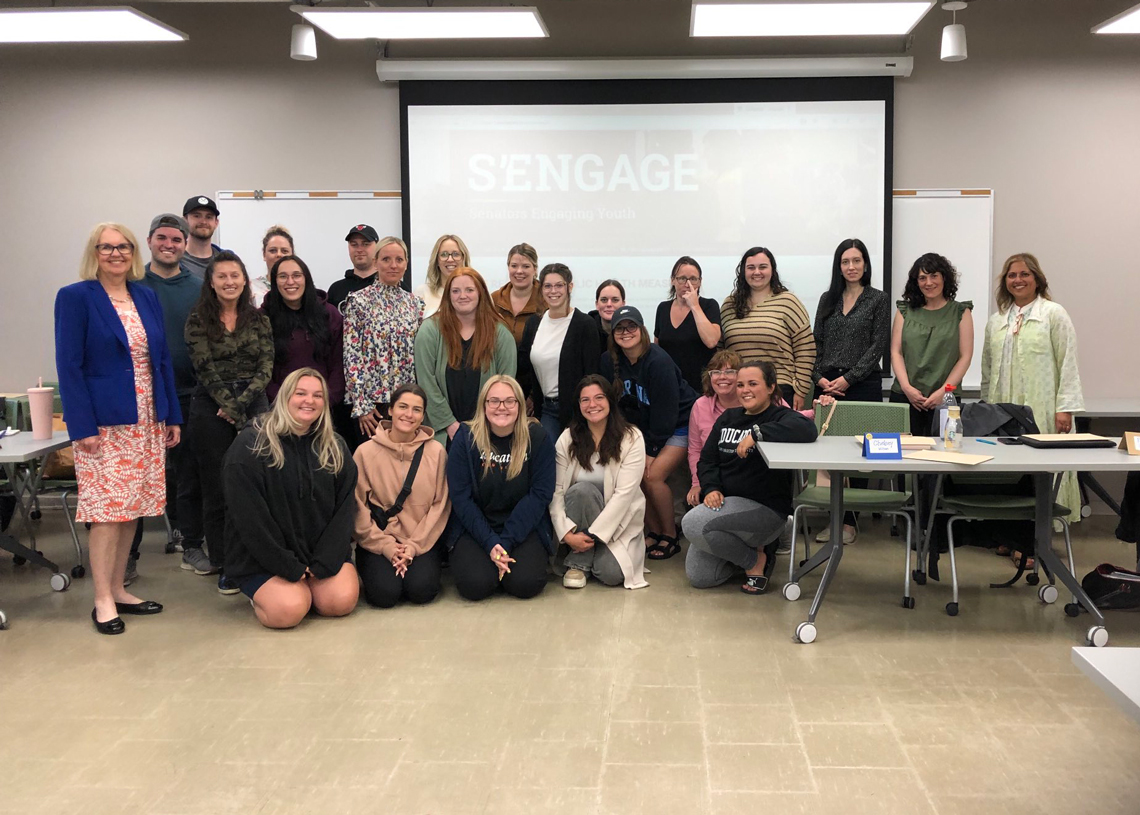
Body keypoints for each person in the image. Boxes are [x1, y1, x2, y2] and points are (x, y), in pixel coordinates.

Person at [54, 222, 181, 634]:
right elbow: (69, 365)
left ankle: (120, 590)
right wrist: (81, 425)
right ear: (94, 252)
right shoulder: (76, 298)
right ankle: (102, 598)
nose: (115, 253)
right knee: (107, 512)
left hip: (146, 419)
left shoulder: (144, 295)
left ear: (133, 252)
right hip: (104, 425)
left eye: (122, 246)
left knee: (134, 508)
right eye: (106, 247)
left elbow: (160, 361)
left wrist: (171, 415)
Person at [222, 368, 359, 628]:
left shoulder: (335, 446)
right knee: (289, 610)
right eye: (301, 393)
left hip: (317, 553)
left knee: (339, 602)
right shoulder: (251, 446)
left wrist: (322, 563)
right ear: (285, 397)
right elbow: (250, 521)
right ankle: (267, 595)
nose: (310, 401)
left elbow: (344, 512)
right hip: (265, 557)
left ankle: (308, 587)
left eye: (318, 395)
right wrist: (288, 567)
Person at [684, 360, 817, 593]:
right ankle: (754, 552)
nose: (745, 390)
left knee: (692, 523)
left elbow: (807, 429)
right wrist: (712, 487)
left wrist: (758, 434)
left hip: (764, 509)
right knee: (700, 577)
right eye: (741, 385)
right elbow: (707, 460)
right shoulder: (727, 418)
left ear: (770, 387)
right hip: (725, 506)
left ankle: (755, 559)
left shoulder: (779, 416)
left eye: (753, 384)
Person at [185, 250, 274, 594]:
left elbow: (266, 367)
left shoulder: (259, 319)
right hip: (210, 407)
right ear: (211, 282)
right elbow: (203, 367)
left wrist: (239, 406)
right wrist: (228, 405)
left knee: (259, 485)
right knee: (217, 489)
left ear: (244, 279)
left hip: (254, 404)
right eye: (221, 276)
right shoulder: (198, 319)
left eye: (234, 275)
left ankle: (259, 559)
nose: (229, 282)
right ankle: (226, 565)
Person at [982, 252, 1084, 534]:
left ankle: (1038, 536)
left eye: (1024, 274)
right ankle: (1012, 534)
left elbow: (1068, 362)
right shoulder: (997, 320)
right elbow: (987, 370)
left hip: (1043, 409)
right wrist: (987, 411)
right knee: (1009, 471)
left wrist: (1065, 407)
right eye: (1012, 275)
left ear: (1037, 279)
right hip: (1004, 411)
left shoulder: (1053, 314)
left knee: (1042, 469)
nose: (1018, 280)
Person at [134, 213, 207, 579]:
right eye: (162, 238)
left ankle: (190, 544)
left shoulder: (197, 286)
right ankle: (128, 557)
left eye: (176, 240)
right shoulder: (133, 285)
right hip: (141, 396)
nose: (169, 245)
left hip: (189, 393)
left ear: (184, 244)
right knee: (135, 478)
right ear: (149, 241)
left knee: (188, 474)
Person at [599, 305, 697, 561]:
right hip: (644, 429)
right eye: (620, 328)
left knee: (652, 475)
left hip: (681, 423)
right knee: (635, 474)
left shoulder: (658, 361)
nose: (626, 332)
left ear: (642, 330)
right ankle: (653, 530)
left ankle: (670, 535)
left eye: (632, 326)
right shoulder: (610, 362)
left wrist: (652, 451)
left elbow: (666, 414)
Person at [446, 376, 555, 601]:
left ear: (520, 405)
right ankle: (493, 567)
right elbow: (461, 498)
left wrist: (505, 542)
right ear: (483, 405)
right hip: (475, 526)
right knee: (475, 586)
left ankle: (501, 566)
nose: (501, 407)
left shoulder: (538, 437)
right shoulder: (465, 439)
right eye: (494, 401)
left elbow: (540, 494)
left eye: (509, 401)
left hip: (523, 527)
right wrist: (489, 542)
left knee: (526, 583)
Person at [810, 239, 890, 544]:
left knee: (858, 452)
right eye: (846, 261)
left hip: (862, 383)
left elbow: (877, 345)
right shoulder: (827, 299)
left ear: (866, 265)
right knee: (829, 453)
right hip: (827, 384)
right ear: (838, 266)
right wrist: (819, 378)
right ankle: (837, 516)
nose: (852, 267)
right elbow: (815, 342)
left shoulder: (878, 299)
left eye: (857, 261)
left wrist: (849, 378)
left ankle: (850, 520)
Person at [353, 383, 450, 608]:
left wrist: (414, 546)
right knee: (384, 594)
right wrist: (385, 546)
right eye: (402, 407)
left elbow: (440, 505)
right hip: (378, 539)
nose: (409, 414)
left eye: (416, 410)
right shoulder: (365, 453)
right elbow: (357, 507)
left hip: (420, 539)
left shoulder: (436, 453)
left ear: (423, 416)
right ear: (390, 410)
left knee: (421, 590)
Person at [549, 375, 649, 590]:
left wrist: (592, 536)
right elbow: (556, 491)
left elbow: (625, 495)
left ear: (611, 401)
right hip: (577, 523)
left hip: (618, 524)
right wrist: (566, 533)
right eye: (585, 400)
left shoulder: (632, 438)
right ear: (578, 405)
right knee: (581, 491)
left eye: (599, 398)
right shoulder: (567, 438)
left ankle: (588, 556)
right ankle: (578, 563)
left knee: (610, 574)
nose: (592, 405)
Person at [414, 267, 517, 445]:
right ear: (448, 295)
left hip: (487, 430)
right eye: (456, 291)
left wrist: (482, 424)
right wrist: (449, 424)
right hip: (442, 434)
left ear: (481, 293)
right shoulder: (429, 330)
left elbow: (506, 384)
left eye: (469, 290)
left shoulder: (500, 333)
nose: (463, 296)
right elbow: (425, 381)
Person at [342, 237, 424, 446]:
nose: (393, 265)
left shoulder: (415, 304)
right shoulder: (358, 301)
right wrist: (362, 405)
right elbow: (351, 355)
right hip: (372, 407)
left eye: (399, 259)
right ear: (376, 261)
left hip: (406, 403)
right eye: (386, 259)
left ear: (406, 264)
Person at [720, 246, 816, 410]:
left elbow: (806, 349)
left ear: (772, 270)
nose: (757, 272)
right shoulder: (730, 304)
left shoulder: (788, 302)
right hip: (740, 392)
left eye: (763, 267)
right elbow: (721, 350)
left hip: (779, 389)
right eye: (751, 267)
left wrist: (800, 391)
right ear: (743, 271)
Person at [889, 252, 974, 436]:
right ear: (916, 282)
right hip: (905, 397)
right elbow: (896, 352)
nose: (929, 282)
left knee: (944, 458)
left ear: (945, 278)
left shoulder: (961, 312)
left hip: (946, 401)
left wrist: (943, 392)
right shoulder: (904, 310)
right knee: (901, 461)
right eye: (922, 278)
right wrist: (907, 388)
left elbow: (965, 357)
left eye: (934, 276)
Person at [517, 263, 601, 440]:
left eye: (559, 285)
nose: (553, 291)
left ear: (570, 287)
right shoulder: (534, 323)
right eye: (547, 286)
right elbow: (524, 366)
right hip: (545, 409)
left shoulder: (584, 324)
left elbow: (592, 374)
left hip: (578, 410)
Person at [262, 255, 345, 407]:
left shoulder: (329, 314)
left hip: (323, 407)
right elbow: (261, 369)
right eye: (283, 276)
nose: (290, 282)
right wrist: (282, 402)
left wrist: (326, 400)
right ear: (274, 282)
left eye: (296, 275)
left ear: (306, 279)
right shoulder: (263, 318)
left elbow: (339, 364)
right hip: (279, 408)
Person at [686, 350, 744, 508]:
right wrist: (697, 483)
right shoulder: (700, 405)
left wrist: (817, 410)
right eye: (716, 372)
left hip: (747, 480)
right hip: (712, 479)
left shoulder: (754, 399)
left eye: (730, 372)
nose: (722, 377)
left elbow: (791, 416)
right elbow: (695, 449)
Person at [654, 256, 722, 392]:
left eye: (693, 279)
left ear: (700, 282)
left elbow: (711, 341)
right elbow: (657, 349)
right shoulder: (663, 308)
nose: (687, 284)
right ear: (673, 280)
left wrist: (695, 306)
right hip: (670, 385)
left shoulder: (709, 305)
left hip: (702, 388)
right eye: (682, 278)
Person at [491, 242, 545, 343]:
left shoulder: (546, 300)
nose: (519, 271)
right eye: (514, 266)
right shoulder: (494, 299)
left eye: (526, 266)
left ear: (535, 269)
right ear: (508, 267)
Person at [415, 234, 471, 319]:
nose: (450, 259)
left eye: (456, 254)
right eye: (444, 254)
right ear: (437, 260)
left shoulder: (477, 292)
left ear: (463, 258)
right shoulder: (422, 292)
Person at [327, 224, 379, 310]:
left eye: (365, 244)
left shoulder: (391, 287)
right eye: (354, 245)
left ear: (377, 247)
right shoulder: (336, 289)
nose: (359, 250)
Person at [180, 195, 225, 279]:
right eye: (197, 216)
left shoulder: (228, 259)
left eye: (209, 217)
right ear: (185, 221)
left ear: (216, 223)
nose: (203, 222)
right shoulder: (175, 261)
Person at [255, 224, 294, 305]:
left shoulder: (302, 287)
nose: (279, 255)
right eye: (273, 250)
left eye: (284, 251)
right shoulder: (251, 289)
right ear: (264, 255)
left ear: (292, 255)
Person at [589, 279, 625, 348]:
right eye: (604, 300)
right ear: (597, 304)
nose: (609, 304)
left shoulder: (632, 330)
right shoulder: (585, 330)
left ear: (623, 304)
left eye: (615, 300)